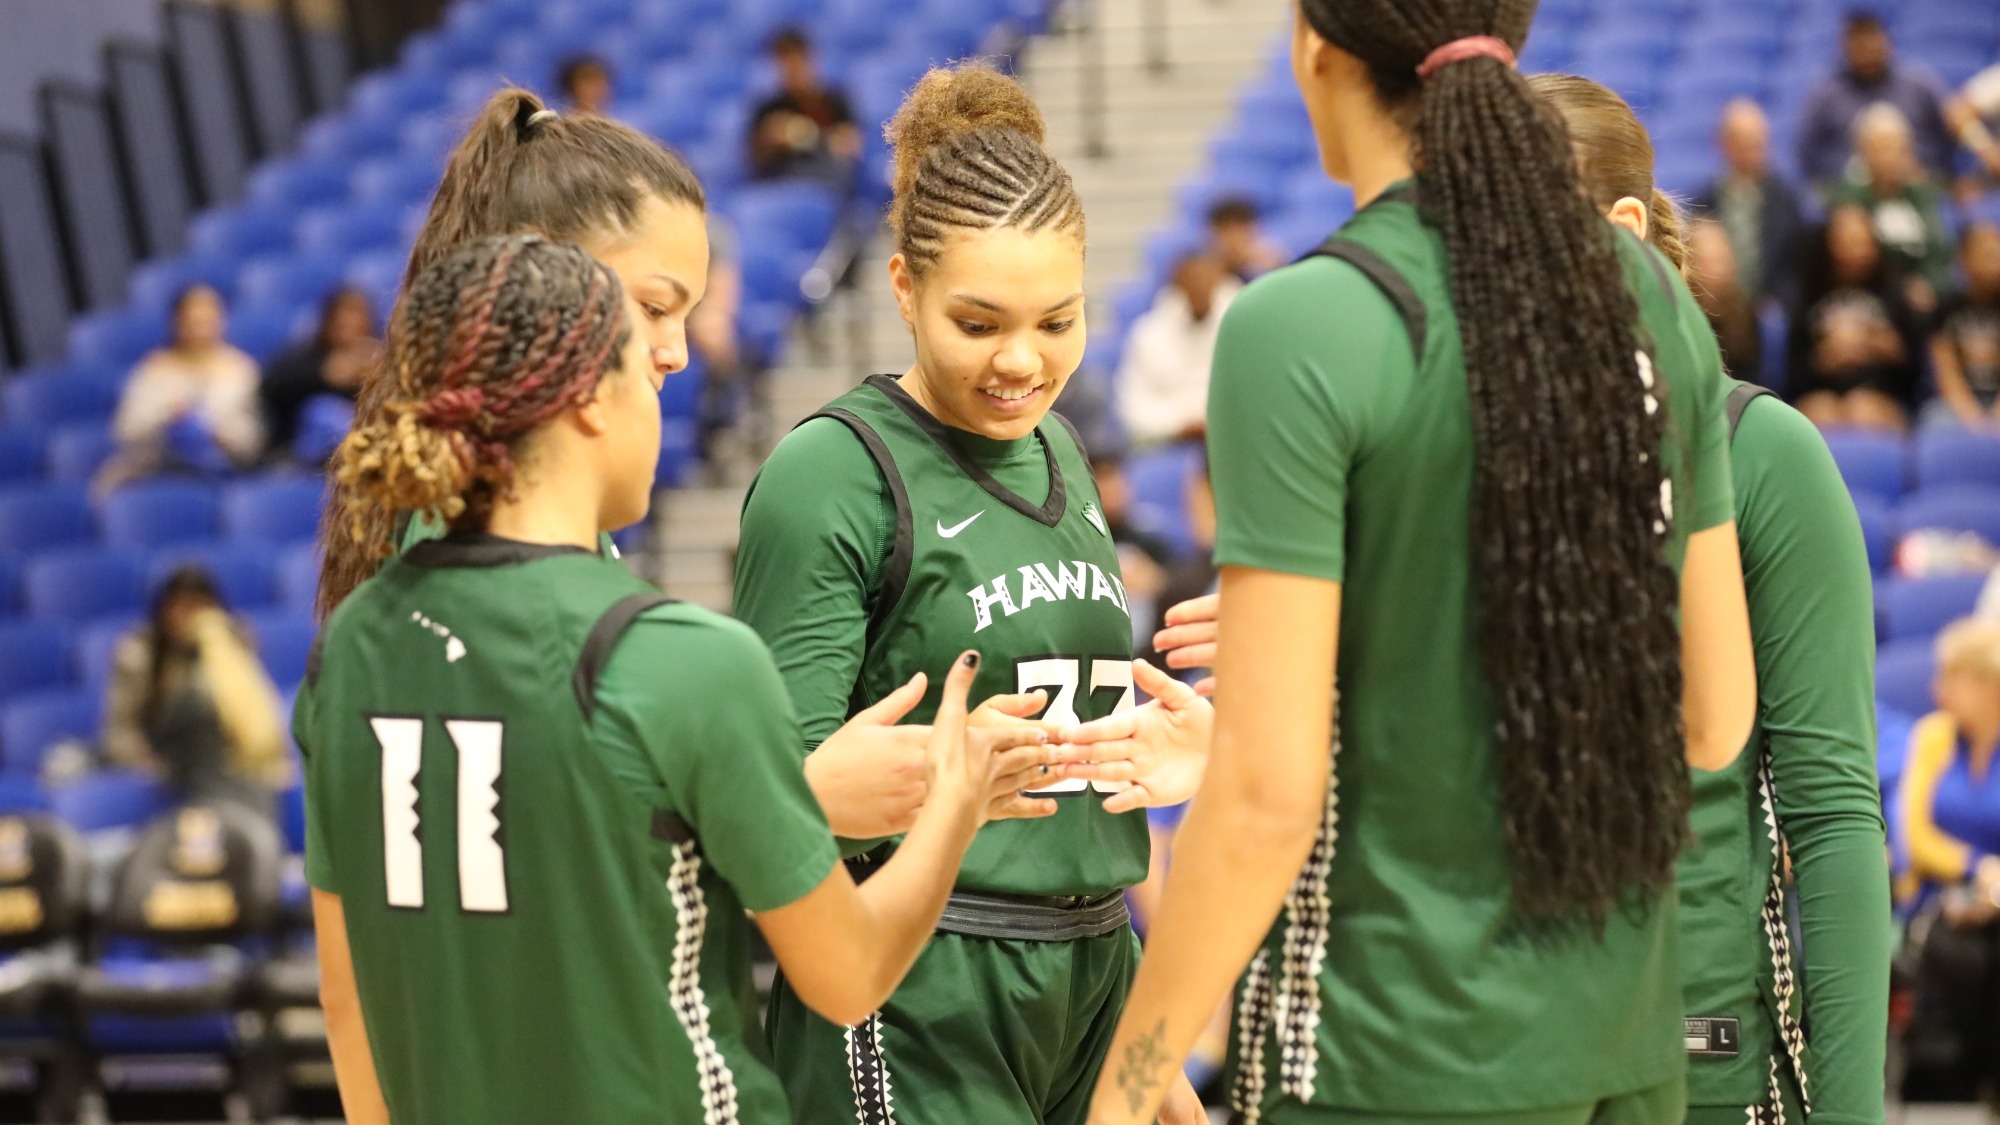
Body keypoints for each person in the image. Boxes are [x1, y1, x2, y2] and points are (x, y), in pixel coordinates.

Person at [1084, 3, 1757, 1121]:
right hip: (1625, 1047)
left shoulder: (1297, 324)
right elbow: (1712, 719)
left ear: (1314, 45)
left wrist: (1126, 1083)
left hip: (1381, 1054)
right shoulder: (1648, 298)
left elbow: (1263, 798)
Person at [301, 233, 1056, 1125]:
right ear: (588, 400)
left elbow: (348, 999)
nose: (667, 391)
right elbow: (849, 975)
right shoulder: (682, 661)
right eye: (646, 375)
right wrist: (954, 803)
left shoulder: (352, 643)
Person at [734, 62, 1210, 1125]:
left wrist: (1136, 1032)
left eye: (1056, 321)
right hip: (919, 987)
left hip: (1090, 973)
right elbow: (764, 814)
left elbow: (1073, 811)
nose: (1019, 361)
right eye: (978, 321)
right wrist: (937, 788)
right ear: (902, 288)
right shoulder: (830, 473)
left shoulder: (1065, 453)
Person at [1535, 70, 1891, 1125]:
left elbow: (1829, 819)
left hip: (1703, 1062)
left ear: (1622, 228)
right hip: (1493, 1066)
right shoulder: (1459, 458)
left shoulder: (1759, 452)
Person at [317, 89, 712, 620]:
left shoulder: (516, 504)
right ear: (543, 273)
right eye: (655, 307)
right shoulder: (477, 519)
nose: (677, 354)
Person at [1898, 619, 2000, 1102]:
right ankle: (1948, 1085)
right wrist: (1977, 869)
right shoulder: (1934, 736)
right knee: (1957, 954)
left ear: (1988, 682)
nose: (1936, 689)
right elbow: (1916, 836)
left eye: (1951, 676)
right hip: (1942, 901)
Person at [101, 567, 288, 816]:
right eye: (180, 607)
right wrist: (143, 760)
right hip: (163, 764)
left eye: (199, 607)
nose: (188, 617)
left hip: (226, 764)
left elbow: (257, 715)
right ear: (163, 609)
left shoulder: (232, 641)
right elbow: (119, 731)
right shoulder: (139, 653)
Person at [100, 284, 264, 493]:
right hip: (158, 467)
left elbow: (256, 437)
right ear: (177, 323)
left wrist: (220, 433)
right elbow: (126, 429)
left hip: (227, 470)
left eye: (207, 321)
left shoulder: (241, 369)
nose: (200, 330)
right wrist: (168, 415)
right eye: (193, 322)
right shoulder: (154, 369)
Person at [1787, 204, 1923, 432]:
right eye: (1846, 242)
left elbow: (1916, 375)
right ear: (1828, 244)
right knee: (1820, 413)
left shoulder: (1895, 293)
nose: (1855, 251)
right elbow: (1791, 373)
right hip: (1820, 392)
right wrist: (1822, 360)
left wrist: (1889, 351)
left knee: (1863, 408)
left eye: (1862, 242)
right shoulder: (1809, 292)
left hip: (1881, 393)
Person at [1796, 10, 1955, 187]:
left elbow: (1952, 132)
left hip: (1915, 187)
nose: (1867, 57)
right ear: (1846, 49)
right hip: (1849, 192)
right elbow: (1806, 152)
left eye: (1871, 48)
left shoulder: (1920, 86)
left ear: (1887, 44)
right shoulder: (1825, 94)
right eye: (1859, 49)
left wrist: (1926, 168)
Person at [1831, 103, 1954, 309]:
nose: (1890, 158)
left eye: (1898, 149)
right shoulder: (1850, 200)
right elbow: (1855, 260)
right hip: (1875, 296)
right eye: (1880, 149)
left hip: (1926, 299)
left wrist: (1931, 284)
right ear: (1862, 152)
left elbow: (1940, 252)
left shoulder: (1923, 197)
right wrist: (1900, 288)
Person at [1689, 98, 1805, 309]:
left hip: (1772, 306)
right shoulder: (1704, 201)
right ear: (1724, 143)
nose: (1754, 151)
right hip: (1720, 306)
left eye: (1759, 142)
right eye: (1745, 143)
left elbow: (1795, 263)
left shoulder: (1786, 199)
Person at [1116, 254, 1239, 447]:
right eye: (1193, 282)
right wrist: (1180, 425)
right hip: (1169, 443)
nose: (1200, 288)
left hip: (1231, 437)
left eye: (1206, 281)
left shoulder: (1240, 327)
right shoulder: (1148, 335)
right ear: (1178, 287)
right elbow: (1133, 407)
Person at [261, 287, 380, 458]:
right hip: (295, 457)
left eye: (357, 318)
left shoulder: (379, 361)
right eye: (342, 320)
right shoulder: (305, 357)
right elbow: (270, 387)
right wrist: (325, 374)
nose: (349, 326)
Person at [747, 28, 860, 186]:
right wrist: (774, 139)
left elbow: (850, 144)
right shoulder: (769, 109)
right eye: (785, 64)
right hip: (784, 179)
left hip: (828, 177)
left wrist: (806, 134)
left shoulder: (835, 101)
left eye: (797, 63)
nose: (792, 71)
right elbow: (756, 158)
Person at [1931, 222, 2000, 431]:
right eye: (1986, 255)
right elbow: (1945, 367)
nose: (1994, 263)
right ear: (1964, 260)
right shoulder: (1946, 308)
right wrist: (1972, 417)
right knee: (1937, 424)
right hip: (1957, 400)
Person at [1686, 219, 1765, 378]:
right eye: (1707, 262)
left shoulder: (1752, 320)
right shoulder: (1679, 317)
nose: (1718, 271)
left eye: (1721, 261)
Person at [1206, 198, 1284, 282]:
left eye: (1240, 229)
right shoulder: (1204, 266)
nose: (1234, 237)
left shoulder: (1269, 260)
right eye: (1226, 229)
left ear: (1253, 228)